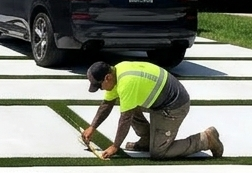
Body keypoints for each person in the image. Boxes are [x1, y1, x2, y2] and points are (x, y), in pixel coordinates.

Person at [80, 60, 223, 159]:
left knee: (159, 152)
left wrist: (115, 146)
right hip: (161, 101)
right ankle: (148, 139)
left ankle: (206, 139)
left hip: (174, 106)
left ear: (107, 77)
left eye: (99, 86)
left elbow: (125, 119)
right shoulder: (117, 71)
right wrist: (92, 127)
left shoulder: (127, 83)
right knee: (127, 103)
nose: (100, 89)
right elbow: (106, 104)